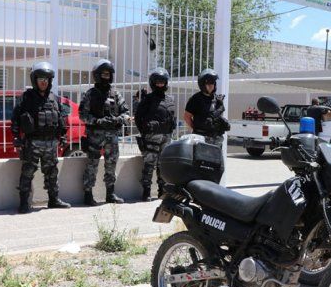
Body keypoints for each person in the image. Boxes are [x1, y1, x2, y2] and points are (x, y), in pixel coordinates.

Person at [11, 61, 71, 214]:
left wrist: (62, 136)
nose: (44, 81)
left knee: (52, 172)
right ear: (34, 80)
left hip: (51, 143)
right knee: (28, 172)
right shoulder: (26, 98)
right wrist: (17, 137)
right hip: (32, 142)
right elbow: (16, 119)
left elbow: (61, 119)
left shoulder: (54, 98)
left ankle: (53, 199)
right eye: (40, 78)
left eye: (46, 78)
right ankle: (24, 203)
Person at [80, 59, 130, 206]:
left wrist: (117, 119)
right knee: (92, 164)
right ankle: (88, 194)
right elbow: (82, 114)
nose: (106, 76)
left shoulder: (115, 94)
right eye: (103, 74)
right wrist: (97, 121)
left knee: (111, 164)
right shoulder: (90, 94)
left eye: (108, 74)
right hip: (95, 136)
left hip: (112, 136)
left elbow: (126, 113)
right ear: (97, 75)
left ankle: (110, 194)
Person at [134, 68, 176, 201]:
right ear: (153, 83)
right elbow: (138, 117)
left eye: (162, 82)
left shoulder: (169, 99)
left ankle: (162, 191)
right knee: (149, 164)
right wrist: (145, 131)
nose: (160, 85)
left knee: (163, 165)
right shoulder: (147, 99)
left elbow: (172, 117)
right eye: (157, 82)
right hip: (151, 137)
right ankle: (146, 192)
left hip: (166, 137)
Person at [184, 68, 230, 146]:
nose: (211, 86)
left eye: (212, 83)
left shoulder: (217, 99)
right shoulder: (195, 99)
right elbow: (187, 117)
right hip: (201, 138)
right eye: (208, 84)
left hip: (216, 139)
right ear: (202, 84)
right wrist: (196, 129)